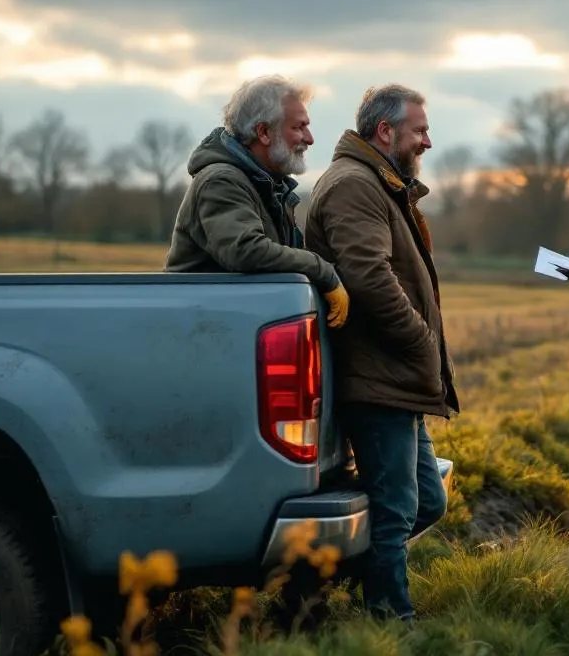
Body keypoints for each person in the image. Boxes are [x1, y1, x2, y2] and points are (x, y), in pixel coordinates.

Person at [303, 83, 458, 622]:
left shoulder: (379, 182)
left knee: (426, 501)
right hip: (378, 377)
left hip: (397, 378)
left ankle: (318, 586)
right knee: (394, 512)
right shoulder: (354, 186)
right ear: (385, 131)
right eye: (420, 130)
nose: (428, 141)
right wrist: (421, 341)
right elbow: (368, 275)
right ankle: (393, 625)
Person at [164, 74, 349, 328]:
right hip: (204, 330)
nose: (310, 138)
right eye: (298, 127)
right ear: (263, 132)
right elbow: (246, 251)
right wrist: (322, 270)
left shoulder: (266, 184)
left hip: (227, 325)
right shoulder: (221, 182)